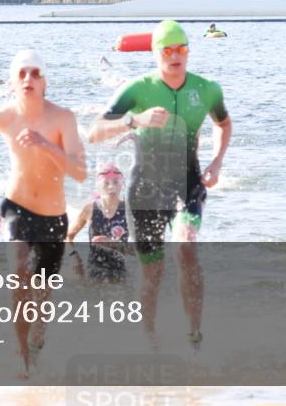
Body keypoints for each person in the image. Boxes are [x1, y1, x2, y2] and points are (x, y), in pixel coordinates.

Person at [87, 20, 232, 350]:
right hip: (145, 191)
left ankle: (194, 335)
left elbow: (223, 124)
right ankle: (149, 339)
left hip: (188, 185)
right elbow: (94, 132)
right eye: (167, 50)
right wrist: (135, 120)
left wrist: (217, 160)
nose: (175, 56)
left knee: (186, 246)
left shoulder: (207, 89)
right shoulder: (138, 89)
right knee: (151, 272)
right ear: (156, 53)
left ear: (188, 52)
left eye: (181, 49)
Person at [0, 49, 87, 376]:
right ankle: (21, 351)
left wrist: (45, 144)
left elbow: (80, 172)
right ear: (12, 82)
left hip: (53, 218)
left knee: (41, 294)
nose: (28, 78)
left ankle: (36, 342)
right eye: (22, 73)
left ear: (45, 82)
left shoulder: (62, 118)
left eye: (35, 73)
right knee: (19, 271)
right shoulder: (3, 116)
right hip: (15, 209)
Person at [66, 161, 131, 284]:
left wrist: (113, 244)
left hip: (119, 274)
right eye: (106, 183)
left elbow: (140, 248)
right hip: (94, 273)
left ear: (121, 184)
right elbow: (68, 236)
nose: (111, 187)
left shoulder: (128, 210)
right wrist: (74, 257)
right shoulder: (89, 209)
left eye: (115, 182)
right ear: (99, 185)